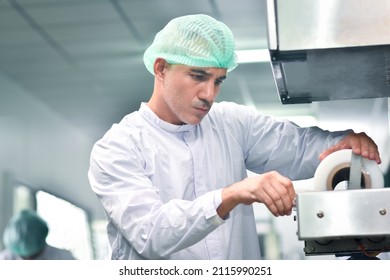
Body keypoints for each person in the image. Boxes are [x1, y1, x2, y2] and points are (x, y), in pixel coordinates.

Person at [87, 14, 381, 260]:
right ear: (161, 68)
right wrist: (231, 194)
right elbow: (152, 233)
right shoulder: (117, 148)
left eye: (218, 81)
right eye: (198, 76)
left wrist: (343, 143)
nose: (209, 95)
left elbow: (297, 147)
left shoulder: (231, 123)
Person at [0, 209, 76, 260]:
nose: (29, 258)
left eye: (34, 255)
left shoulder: (63, 257)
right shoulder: (5, 259)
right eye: (23, 257)